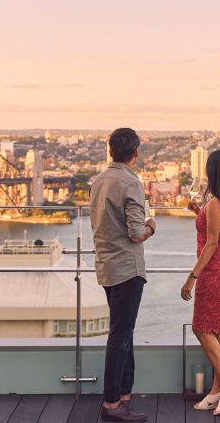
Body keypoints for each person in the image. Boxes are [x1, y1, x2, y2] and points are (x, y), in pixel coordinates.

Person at [90, 128, 155, 422]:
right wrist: (152, 227)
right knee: (119, 334)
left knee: (124, 331)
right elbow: (136, 233)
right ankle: (112, 403)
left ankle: (124, 395)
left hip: (106, 266)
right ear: (136, 152)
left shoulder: (98, 181)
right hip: (128, 268)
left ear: (111, 150)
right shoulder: (131, 182)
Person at [181, 150, 220, 416]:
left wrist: (191, 277)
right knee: (218, 327)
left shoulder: (217, 202)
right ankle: (217, 390)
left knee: (201, 327)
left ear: (213, 172)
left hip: (216, 268)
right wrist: (198, 211)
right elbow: (217, 229)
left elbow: (210, 243)